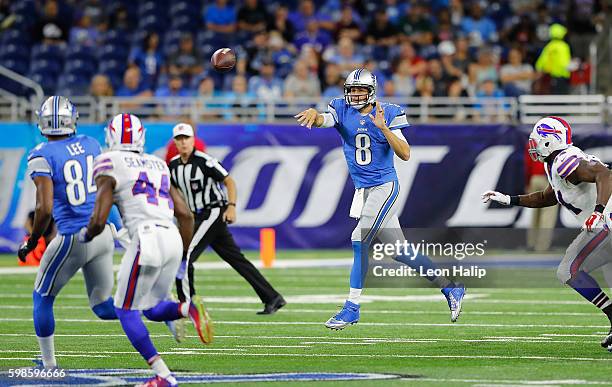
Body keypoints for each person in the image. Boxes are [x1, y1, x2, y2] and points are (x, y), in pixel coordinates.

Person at [294, 69, 466, 330]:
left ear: (372, 92)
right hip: (364, 190)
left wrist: (383, 127)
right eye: (351, 90)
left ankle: (352, 308)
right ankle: (451, 288)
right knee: (400, 252)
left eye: (360, 90)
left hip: (385, 186)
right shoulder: (341, 108)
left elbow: (405, 153)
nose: (355, 94)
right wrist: (313, 115)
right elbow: (324, 119)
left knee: (358, 239)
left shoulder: (390, 112)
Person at [82, 113, 210, 386]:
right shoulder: (158, 163)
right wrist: (183, 257)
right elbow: (186, 215)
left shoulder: (108, 161)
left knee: (125, 309)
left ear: (111, 136)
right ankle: (187, 308)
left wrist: (88, 233)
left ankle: (163, 375)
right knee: (151, 308)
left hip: (146, 238)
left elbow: (100, 215)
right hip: (172, 238)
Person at [482, 116, 612, 352]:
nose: (533, 145)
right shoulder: (554, 163)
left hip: (606, 225)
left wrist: (598, 212)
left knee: (568, 270)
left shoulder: (566, 160)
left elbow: (604, 174)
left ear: (550, 141)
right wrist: (508, 199)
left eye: (537, 140)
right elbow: (547, 197)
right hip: (605, 227)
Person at [17, 96, 118, 368]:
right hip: (104, 233)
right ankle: (159, 310)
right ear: (71, 119)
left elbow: (45, 207)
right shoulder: (92, 144)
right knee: (103, 306)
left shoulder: (41, 154)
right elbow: (107, 190)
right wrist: (118, 227)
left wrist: (33, 239)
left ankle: (49, 365)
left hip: (74, 236)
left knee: (42, 297)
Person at [169, 123, 286, 315]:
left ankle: (187, 305)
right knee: (237, 259)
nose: (183, 142)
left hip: (213, 212)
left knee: (185, 256)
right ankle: (272, 297)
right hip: (195, 216)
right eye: (179, 139)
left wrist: (231, 207)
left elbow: (229, 181)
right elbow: (174, 192)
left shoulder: (205, 161)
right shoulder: (173, 165)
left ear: (193, 139)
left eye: (186, 138)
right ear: (175, 141)